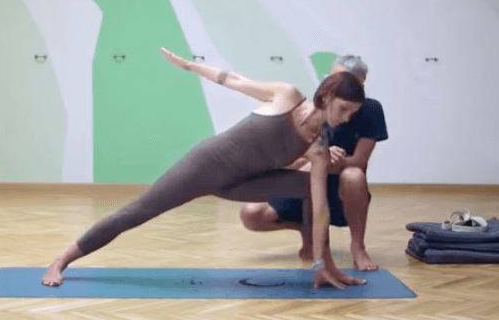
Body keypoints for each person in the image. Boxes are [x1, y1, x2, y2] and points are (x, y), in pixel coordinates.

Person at [41, 47, 367, 290]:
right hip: (207, 166)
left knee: (309, 187)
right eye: (344, 109)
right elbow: (234, 80)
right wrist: (190, 65)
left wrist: (325, 263)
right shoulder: (287, 96)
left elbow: (320, 209)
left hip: (243, 183)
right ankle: (62, 259)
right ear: (327, 95)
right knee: (136, 212)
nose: (346, 118)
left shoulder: (319, 148)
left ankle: (318, 261)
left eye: (352, 114)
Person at [240, 56, 388, 271]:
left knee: (353, 175)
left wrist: (327, 162)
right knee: (251, 214)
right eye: (333, 78)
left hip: (340, 192)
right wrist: (319, 158)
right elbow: (285, 163)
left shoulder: (370, 109)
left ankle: (358, 247)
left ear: (361, 84)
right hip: (306, 185)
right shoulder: (309, 110)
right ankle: (307, 232)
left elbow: (359, 161)